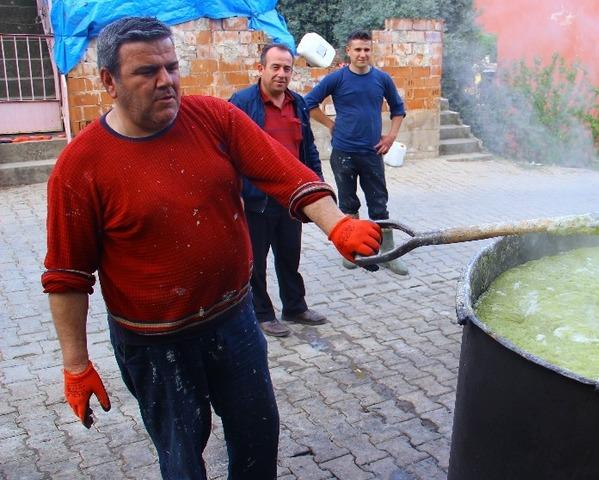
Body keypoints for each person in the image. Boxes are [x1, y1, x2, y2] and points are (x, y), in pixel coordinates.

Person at [42, 17, 381, 479]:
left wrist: (337, 223)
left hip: (234, 321)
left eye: (172, 66)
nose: (166, 81)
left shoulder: (213, 118)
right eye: (147, 72)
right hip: (155, 342)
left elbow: (287, 172)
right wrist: (76, 365)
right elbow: (67, 277)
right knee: (181, 457)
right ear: (109, 81)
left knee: (258, 438)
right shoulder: (80, 167)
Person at [229, 44, 328, 337]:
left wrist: (317, 186)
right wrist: (235, 195)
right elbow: (228, 151)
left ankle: (295, 307)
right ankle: (262, 314)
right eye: (275, 67)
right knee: (256, 262)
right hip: (255, 200)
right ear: (261, 69)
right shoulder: (242, 102)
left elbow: (307, 147)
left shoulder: (297, 103)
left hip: (291, 198)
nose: (281, 74)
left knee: (289, 255)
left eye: (287, 68)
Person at [304, 30, 409, 275]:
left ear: (371, 51)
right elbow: (308, 103)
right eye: (357, 50)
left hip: (372, 152)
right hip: (343, 153)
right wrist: (330, 124)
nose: (362, 54)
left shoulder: (382, 79)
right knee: (348, 202)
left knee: (379, 204)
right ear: (348, 52)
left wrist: (391, 137)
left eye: (366, 49)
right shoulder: (337, 79)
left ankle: (388, 254)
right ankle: (350, 250)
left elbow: (398, 109)